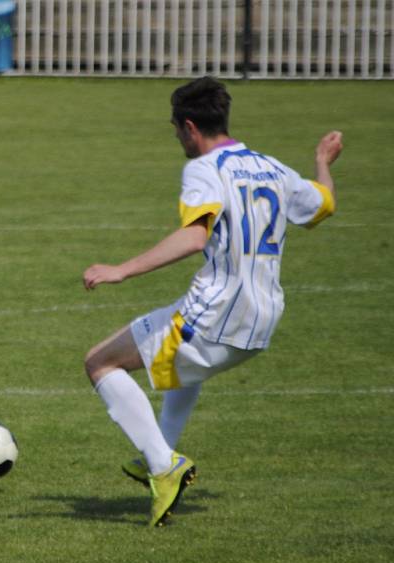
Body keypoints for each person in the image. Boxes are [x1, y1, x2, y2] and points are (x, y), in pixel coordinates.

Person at [82, 76, 343, 527]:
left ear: (189, 127)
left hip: (218, 313)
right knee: (186, 363)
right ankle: (158, 455)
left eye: (175, 130)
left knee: (100, 363)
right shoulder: (273, 168)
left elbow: (194, 234)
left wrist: (122, 268)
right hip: (261, 322)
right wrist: (323, 162)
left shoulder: (203, 169)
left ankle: (163, 466)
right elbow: (323, 205)